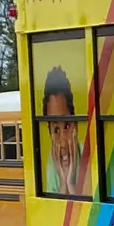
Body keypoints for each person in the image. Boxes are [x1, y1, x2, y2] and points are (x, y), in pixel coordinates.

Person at [41, 68, 87, 196]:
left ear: (76, 124)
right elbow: (55, 212)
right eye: (56, 130)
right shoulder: (51, 162)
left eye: (67, 126)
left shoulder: (88, 158)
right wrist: (63, 182)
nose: (62, 143)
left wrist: (70, 183)